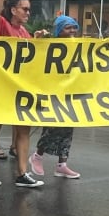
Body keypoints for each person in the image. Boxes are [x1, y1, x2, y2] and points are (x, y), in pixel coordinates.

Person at [0, 0, 47, 188]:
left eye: (29, 9)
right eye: (24, 8)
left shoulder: (24, 32)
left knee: (24, 129)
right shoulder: (1, 26)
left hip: (19, 88)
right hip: (0, 86)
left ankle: (22, 173)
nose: (28, 12)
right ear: (13, 10)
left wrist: (36, 41)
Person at [28, 16, 82, 180]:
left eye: (74, 27)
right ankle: (37, 156)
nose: (72, 31)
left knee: (68, 128)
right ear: (59, 31)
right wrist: (37, 40)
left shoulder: (78, 46)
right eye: (67, 28)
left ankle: (62, 165)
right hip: (52, 92)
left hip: (70, 92)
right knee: (51, 126)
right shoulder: (49, 46)